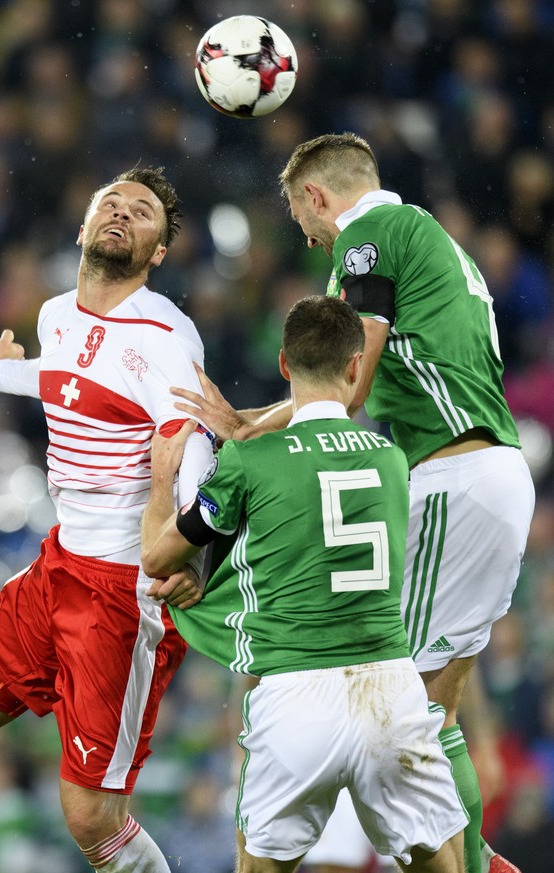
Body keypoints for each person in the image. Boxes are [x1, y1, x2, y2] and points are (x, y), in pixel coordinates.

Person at [169, 133, 535, 873]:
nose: (307, 237)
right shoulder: (425, 238)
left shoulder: (367, 234)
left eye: (301, 218)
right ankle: (479, 857)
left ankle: (459, 859)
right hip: (492, 471)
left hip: (452, 474)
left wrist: (246, 429)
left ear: (315, 197)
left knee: (397, 692)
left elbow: (348, 382)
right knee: (436, 703)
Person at [141, 295, 468, 873]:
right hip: (389, 687)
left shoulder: (253, 460)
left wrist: (163, 477)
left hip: (294, 695)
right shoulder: (393, 459)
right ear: (353, 367)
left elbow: (158, 557)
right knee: (438, 862)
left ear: (285, 366)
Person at [0, 167, 214, 873]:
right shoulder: (56, 314)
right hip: (57, 565)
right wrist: (5, 375)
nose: (122, 214)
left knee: (90, 818)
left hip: (121, 592)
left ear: (158, 253)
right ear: (83, 226)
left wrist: (187, 552)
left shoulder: (168, 334)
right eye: (111, 202)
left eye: (142, 214)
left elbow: (192, 442)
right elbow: (72, 377)